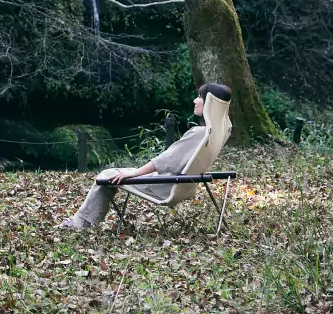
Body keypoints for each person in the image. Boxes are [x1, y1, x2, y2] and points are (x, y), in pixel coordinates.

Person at [61, 82, 233, 230]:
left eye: (200, 97)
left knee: (106, 176)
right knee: (113, 174)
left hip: (164, 186)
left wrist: (134, 174)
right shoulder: (215, 134)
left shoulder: (198, 133)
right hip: (181, 184)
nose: (195, 100)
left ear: (210, 103)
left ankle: (81, 223)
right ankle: (84, 221)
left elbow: (165, 161)